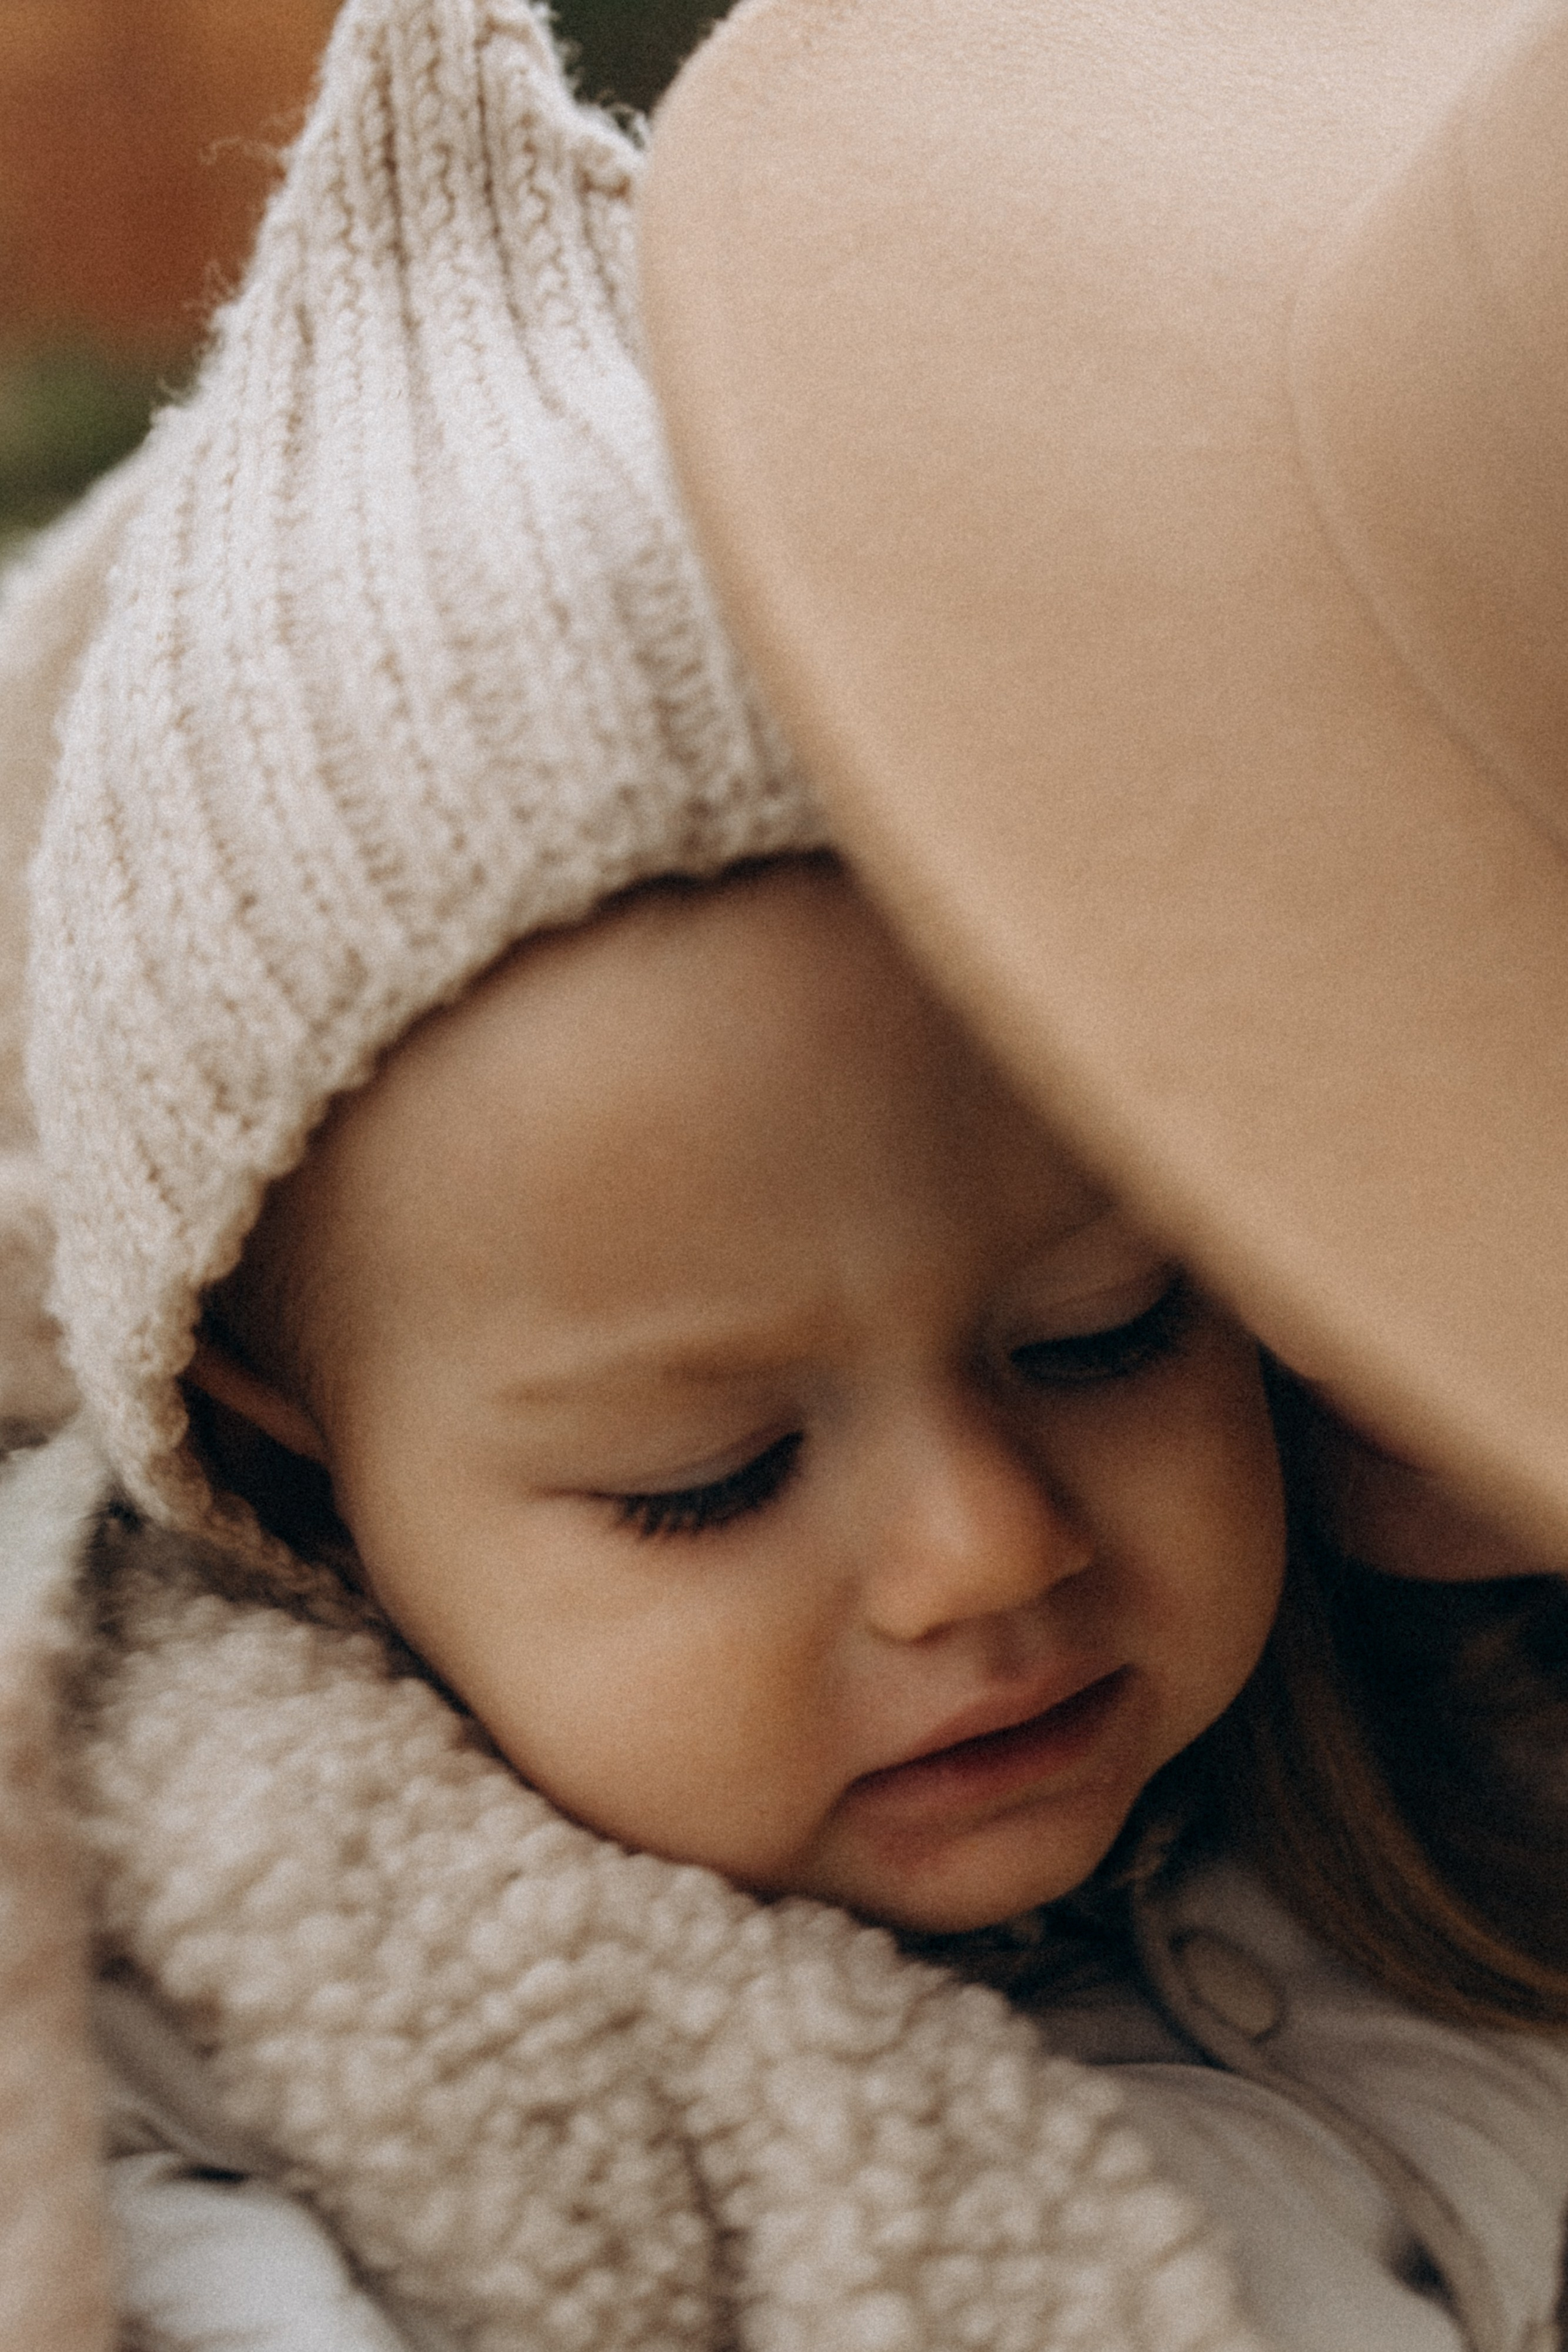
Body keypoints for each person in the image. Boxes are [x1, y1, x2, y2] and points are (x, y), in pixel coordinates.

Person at [1, 6, 1566, 2352]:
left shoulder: (1412, 1760)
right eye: (705, 1479)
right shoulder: (225, 2089)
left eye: (1105, 1332)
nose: (983, 1551)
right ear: (276, 1439)